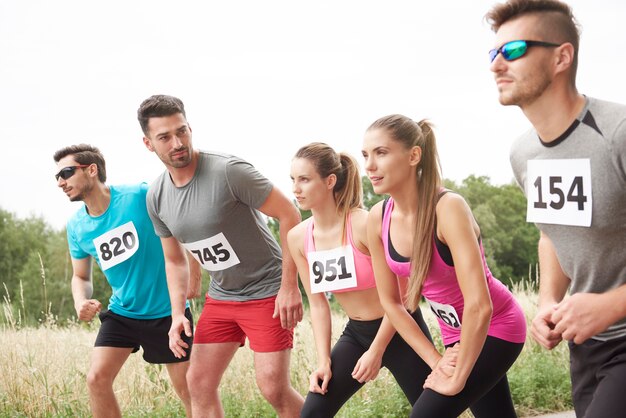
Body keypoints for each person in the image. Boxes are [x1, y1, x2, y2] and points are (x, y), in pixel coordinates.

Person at [486, 1, 626, 416]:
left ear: (562, 56)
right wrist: (549, 299)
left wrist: (612, 304)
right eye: (493, 53)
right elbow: (551, 232)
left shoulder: (618, 133)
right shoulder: (523, 153)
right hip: (586, 347)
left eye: (513, 51)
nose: (496, 65)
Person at [138, 94, 305, 418]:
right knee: (198, 384)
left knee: (273, 389)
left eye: (182, 131)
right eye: (165, 137)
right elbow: (174, 261)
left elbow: (290, 214)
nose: (177, 142)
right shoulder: (156, 197)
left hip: (267, 290)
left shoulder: (229, 171)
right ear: (148, 143)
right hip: (223, 296)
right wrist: (177, 316)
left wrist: (289, 286)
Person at [363, 115, 527, 418]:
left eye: (381, 153)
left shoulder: (448, 208)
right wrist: (436, 359)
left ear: (414, 155)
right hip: (454, 335)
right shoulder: (377, 217)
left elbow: (480, 305)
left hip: (496, 326)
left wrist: (458, 376)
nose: (369, 166)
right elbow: (392, 302)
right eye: (365, 155)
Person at [287, 142, 432, 417]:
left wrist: (377, 351)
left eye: (304, 180)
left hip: (399, 327)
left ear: (330, 181)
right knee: (313, 412)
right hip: (356, 334)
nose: (296, 188)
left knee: (434, 413)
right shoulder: (298, 238)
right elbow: (318, 306)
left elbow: (402, 295)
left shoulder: (365, 224)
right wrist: (323, 361)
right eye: (293, 180)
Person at [53, 144, 197, 418]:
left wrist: (195, 269)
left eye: (67, 173)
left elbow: (183, 222)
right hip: (123, 313)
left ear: (92, 169)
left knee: (189, 389)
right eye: (57, 177)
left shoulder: (139, 195)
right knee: (96, 379)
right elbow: (81, 276)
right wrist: (80, 300)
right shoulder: (77, 226)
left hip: (167, 312)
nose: (61, 182)